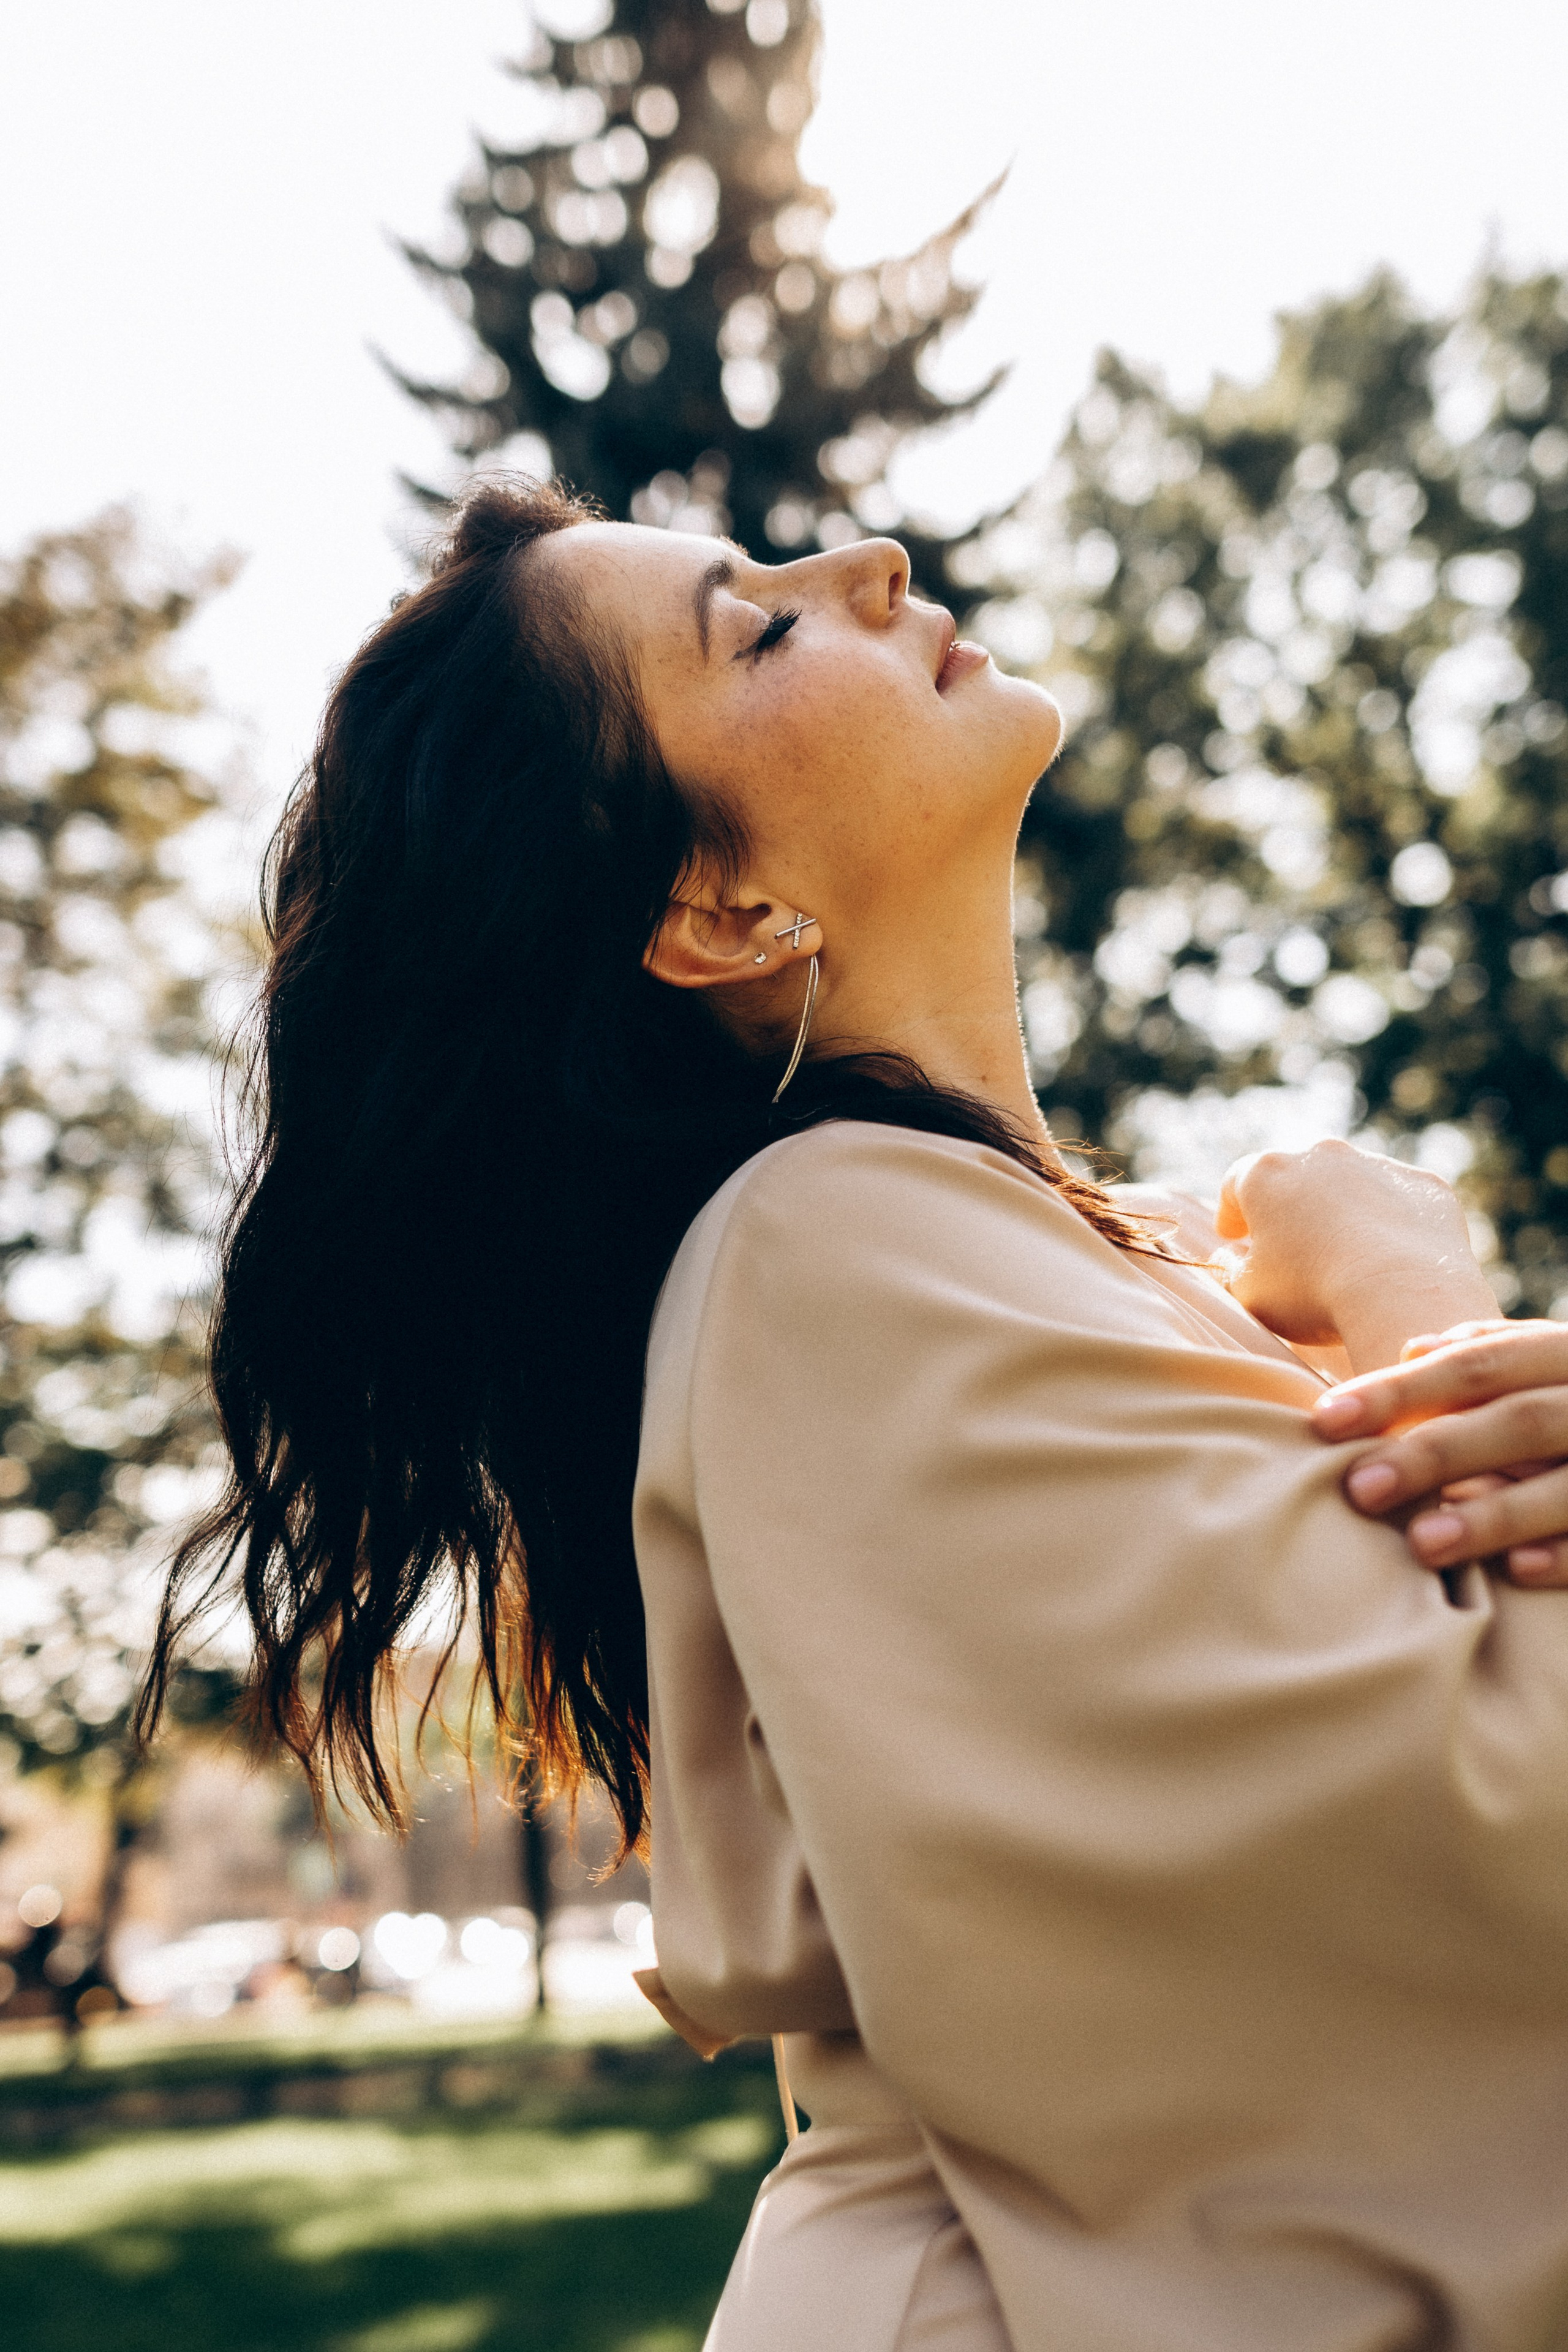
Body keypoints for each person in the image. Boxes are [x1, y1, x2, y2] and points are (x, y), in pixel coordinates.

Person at [140, 478, 1568, 2351]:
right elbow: (1500, 1835)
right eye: (765, 623)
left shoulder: (1037, 1260)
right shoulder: (832, 1250)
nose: (874, 563)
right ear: (718, 908)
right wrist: (1419, 1292)